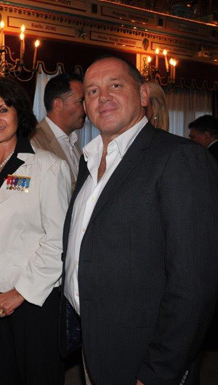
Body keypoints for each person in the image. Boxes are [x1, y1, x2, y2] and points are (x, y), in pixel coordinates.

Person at [62, 55, 218, 385]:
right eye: (91, 92)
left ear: (144, 95)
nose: (102, 97)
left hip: (146, 358)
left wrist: (160, 370)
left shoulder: (179, 157)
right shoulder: (87, 164)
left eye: (115, 86)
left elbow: (194, 283)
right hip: (94, 345)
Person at [0, 77, 71, 384]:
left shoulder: (47, 167)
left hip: (34, 300)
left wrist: (20, 293)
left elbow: (57, 241)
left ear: (18, 114)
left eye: (2, 109)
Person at [30, 73, 85, 188]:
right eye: (80, 102)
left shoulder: (72, 142)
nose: (86, 108)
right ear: (58, 104)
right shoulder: (32, 141)